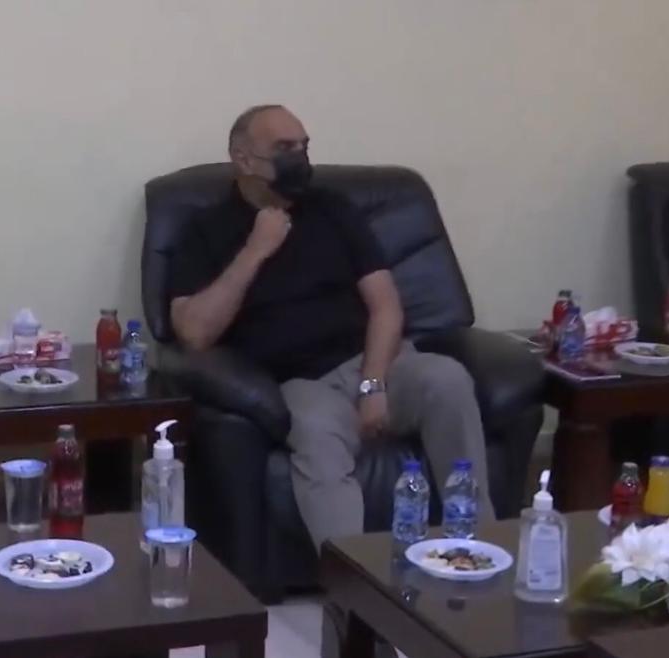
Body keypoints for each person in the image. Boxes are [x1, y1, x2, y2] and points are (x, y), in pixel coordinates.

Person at [168, 104, 495, 549]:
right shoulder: (206, 229)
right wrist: (255, 250)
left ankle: (476, 546)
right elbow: (194, 333)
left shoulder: (332, 208)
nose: (299, 158)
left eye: (304, 146)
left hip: (375, 362)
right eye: (284, 148)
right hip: (301, 384)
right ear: (243, 159)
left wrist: (373, 384)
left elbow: (386, 306)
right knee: (317, 437)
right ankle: (352, 578)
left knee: (447, 379)